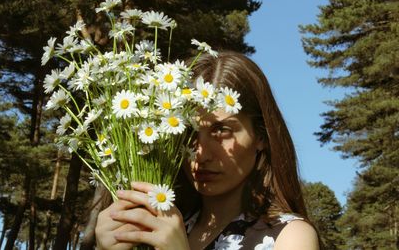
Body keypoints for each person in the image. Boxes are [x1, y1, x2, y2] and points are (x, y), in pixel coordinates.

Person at [95, 51, 321, 250]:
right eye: (188, 133)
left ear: (261, 136)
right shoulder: (159, 227)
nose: (200, 154)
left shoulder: (289, 237)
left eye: (221, 130)